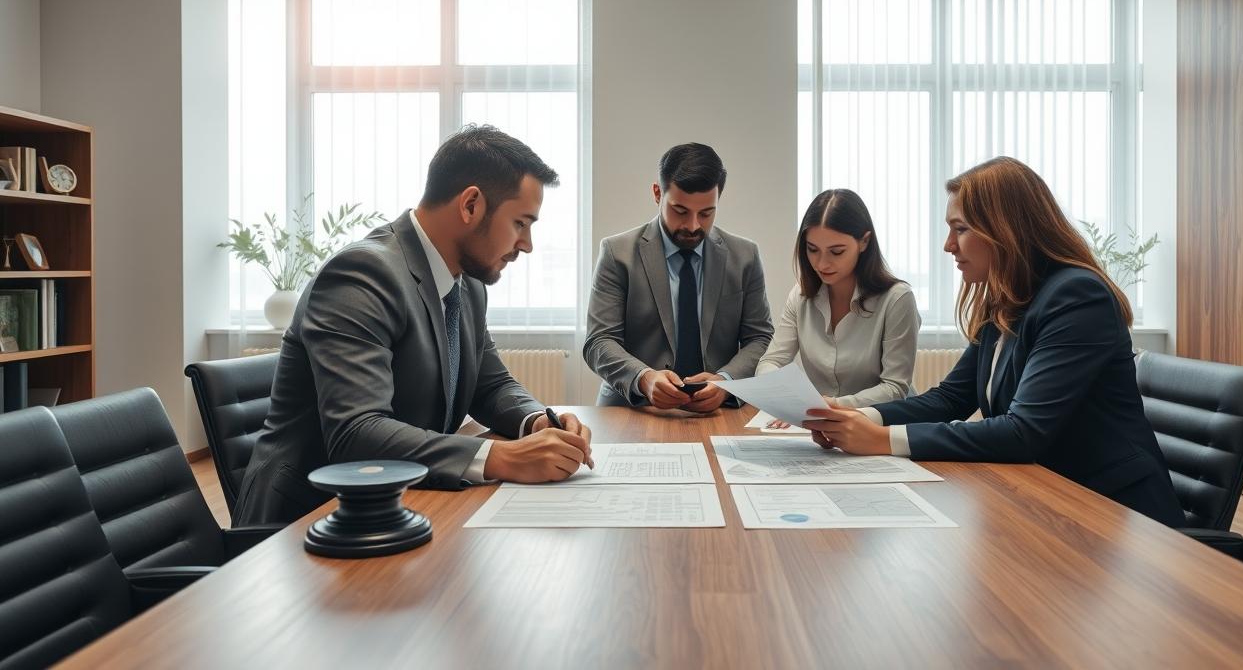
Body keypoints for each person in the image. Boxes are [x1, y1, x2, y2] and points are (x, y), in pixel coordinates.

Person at [234, 125, 594, 526]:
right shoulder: (362, 275)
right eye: (520, 223)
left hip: (403, 503)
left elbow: (490, 384)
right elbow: (357, 433)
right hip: (307, 523)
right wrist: (501, 457)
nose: (527, 244)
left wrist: (538, 420)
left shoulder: (468, 283)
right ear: (471, 205)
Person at [802, 157, 1183, 526]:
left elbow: (1022, 432)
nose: (948, 245)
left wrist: (884, 439)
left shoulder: (1077, 296)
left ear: (1007, 229)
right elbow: (951, 398)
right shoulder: (1007, 299)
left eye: (960, 229)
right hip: (1048, 498)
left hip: (1118, 515)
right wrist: (856, 418)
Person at [584, 142, 773, 413]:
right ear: (657, 193)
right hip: (632, 409)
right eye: (680, 211)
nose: (693, 225)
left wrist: (726, 381)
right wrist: (643, 379)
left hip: (719, 412)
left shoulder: (745, 256)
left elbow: (761, 338)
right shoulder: (617, 253)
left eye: (706, 213)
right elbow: (599, 341)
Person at [757, 189, 920, 427]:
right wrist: (786, 401)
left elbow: (895, 388)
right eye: (812, 249)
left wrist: (832, 406)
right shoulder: (801, 296)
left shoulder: (897, 299)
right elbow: (771, 361)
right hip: (823, 427)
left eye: (836, 252)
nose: (822, 264)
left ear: (864, 242)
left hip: (883, 426)